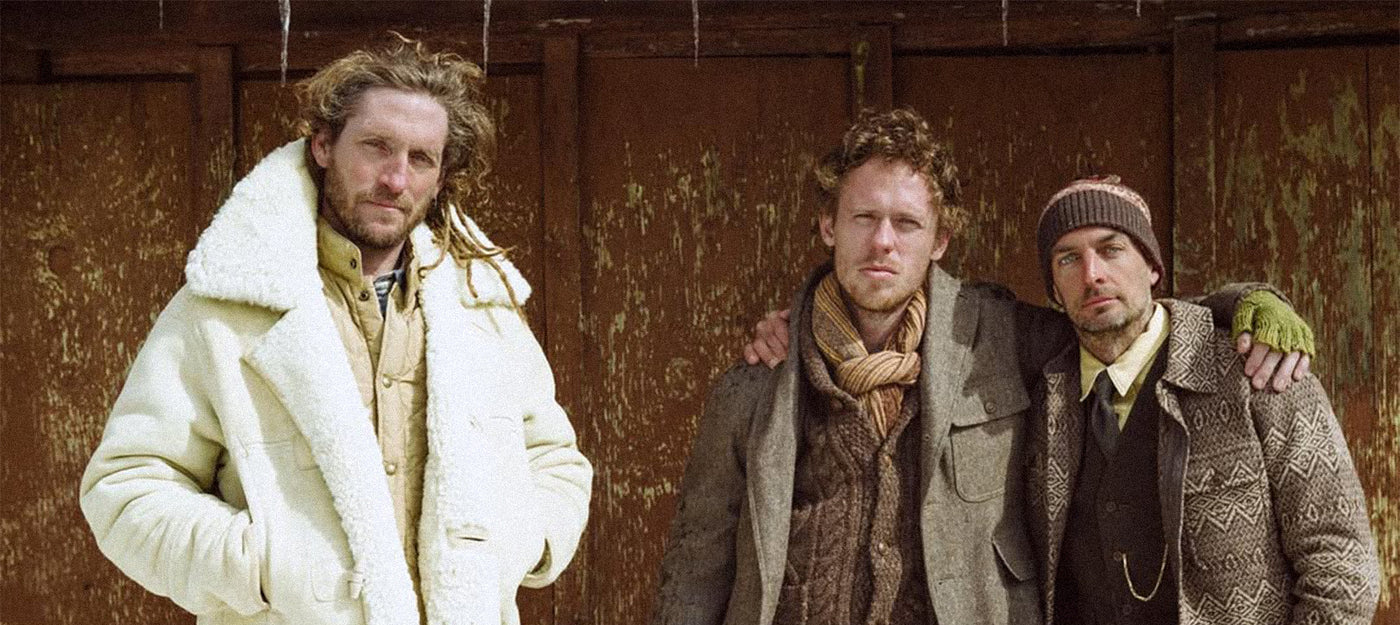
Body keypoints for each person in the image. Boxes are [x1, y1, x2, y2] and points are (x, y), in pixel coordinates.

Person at [651, 109, 1309, 625]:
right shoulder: (756, 382)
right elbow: (696, 567)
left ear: (940, 239)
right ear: (828, 226)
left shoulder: (997, 334)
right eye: (863, 217)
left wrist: (1242, 303)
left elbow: (1119, 318)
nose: (883, 241)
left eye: (907, 224)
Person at [79, 37, 591, 625]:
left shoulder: (483, 306)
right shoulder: (227, 304)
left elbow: (555, 462)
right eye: (377, 147)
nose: (396, 179)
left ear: (441, 175)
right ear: (323, 144)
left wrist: (516, 543)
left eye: (421, 159)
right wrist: (269, 566)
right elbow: (127, 487)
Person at [1026, 177, 1379, 625]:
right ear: (1055, 291)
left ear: (1152, 267)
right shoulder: (1041, 398)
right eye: (1068, 259)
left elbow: (1342, 567)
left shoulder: (1256, 369)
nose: (1091, 274)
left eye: (1112, 249)